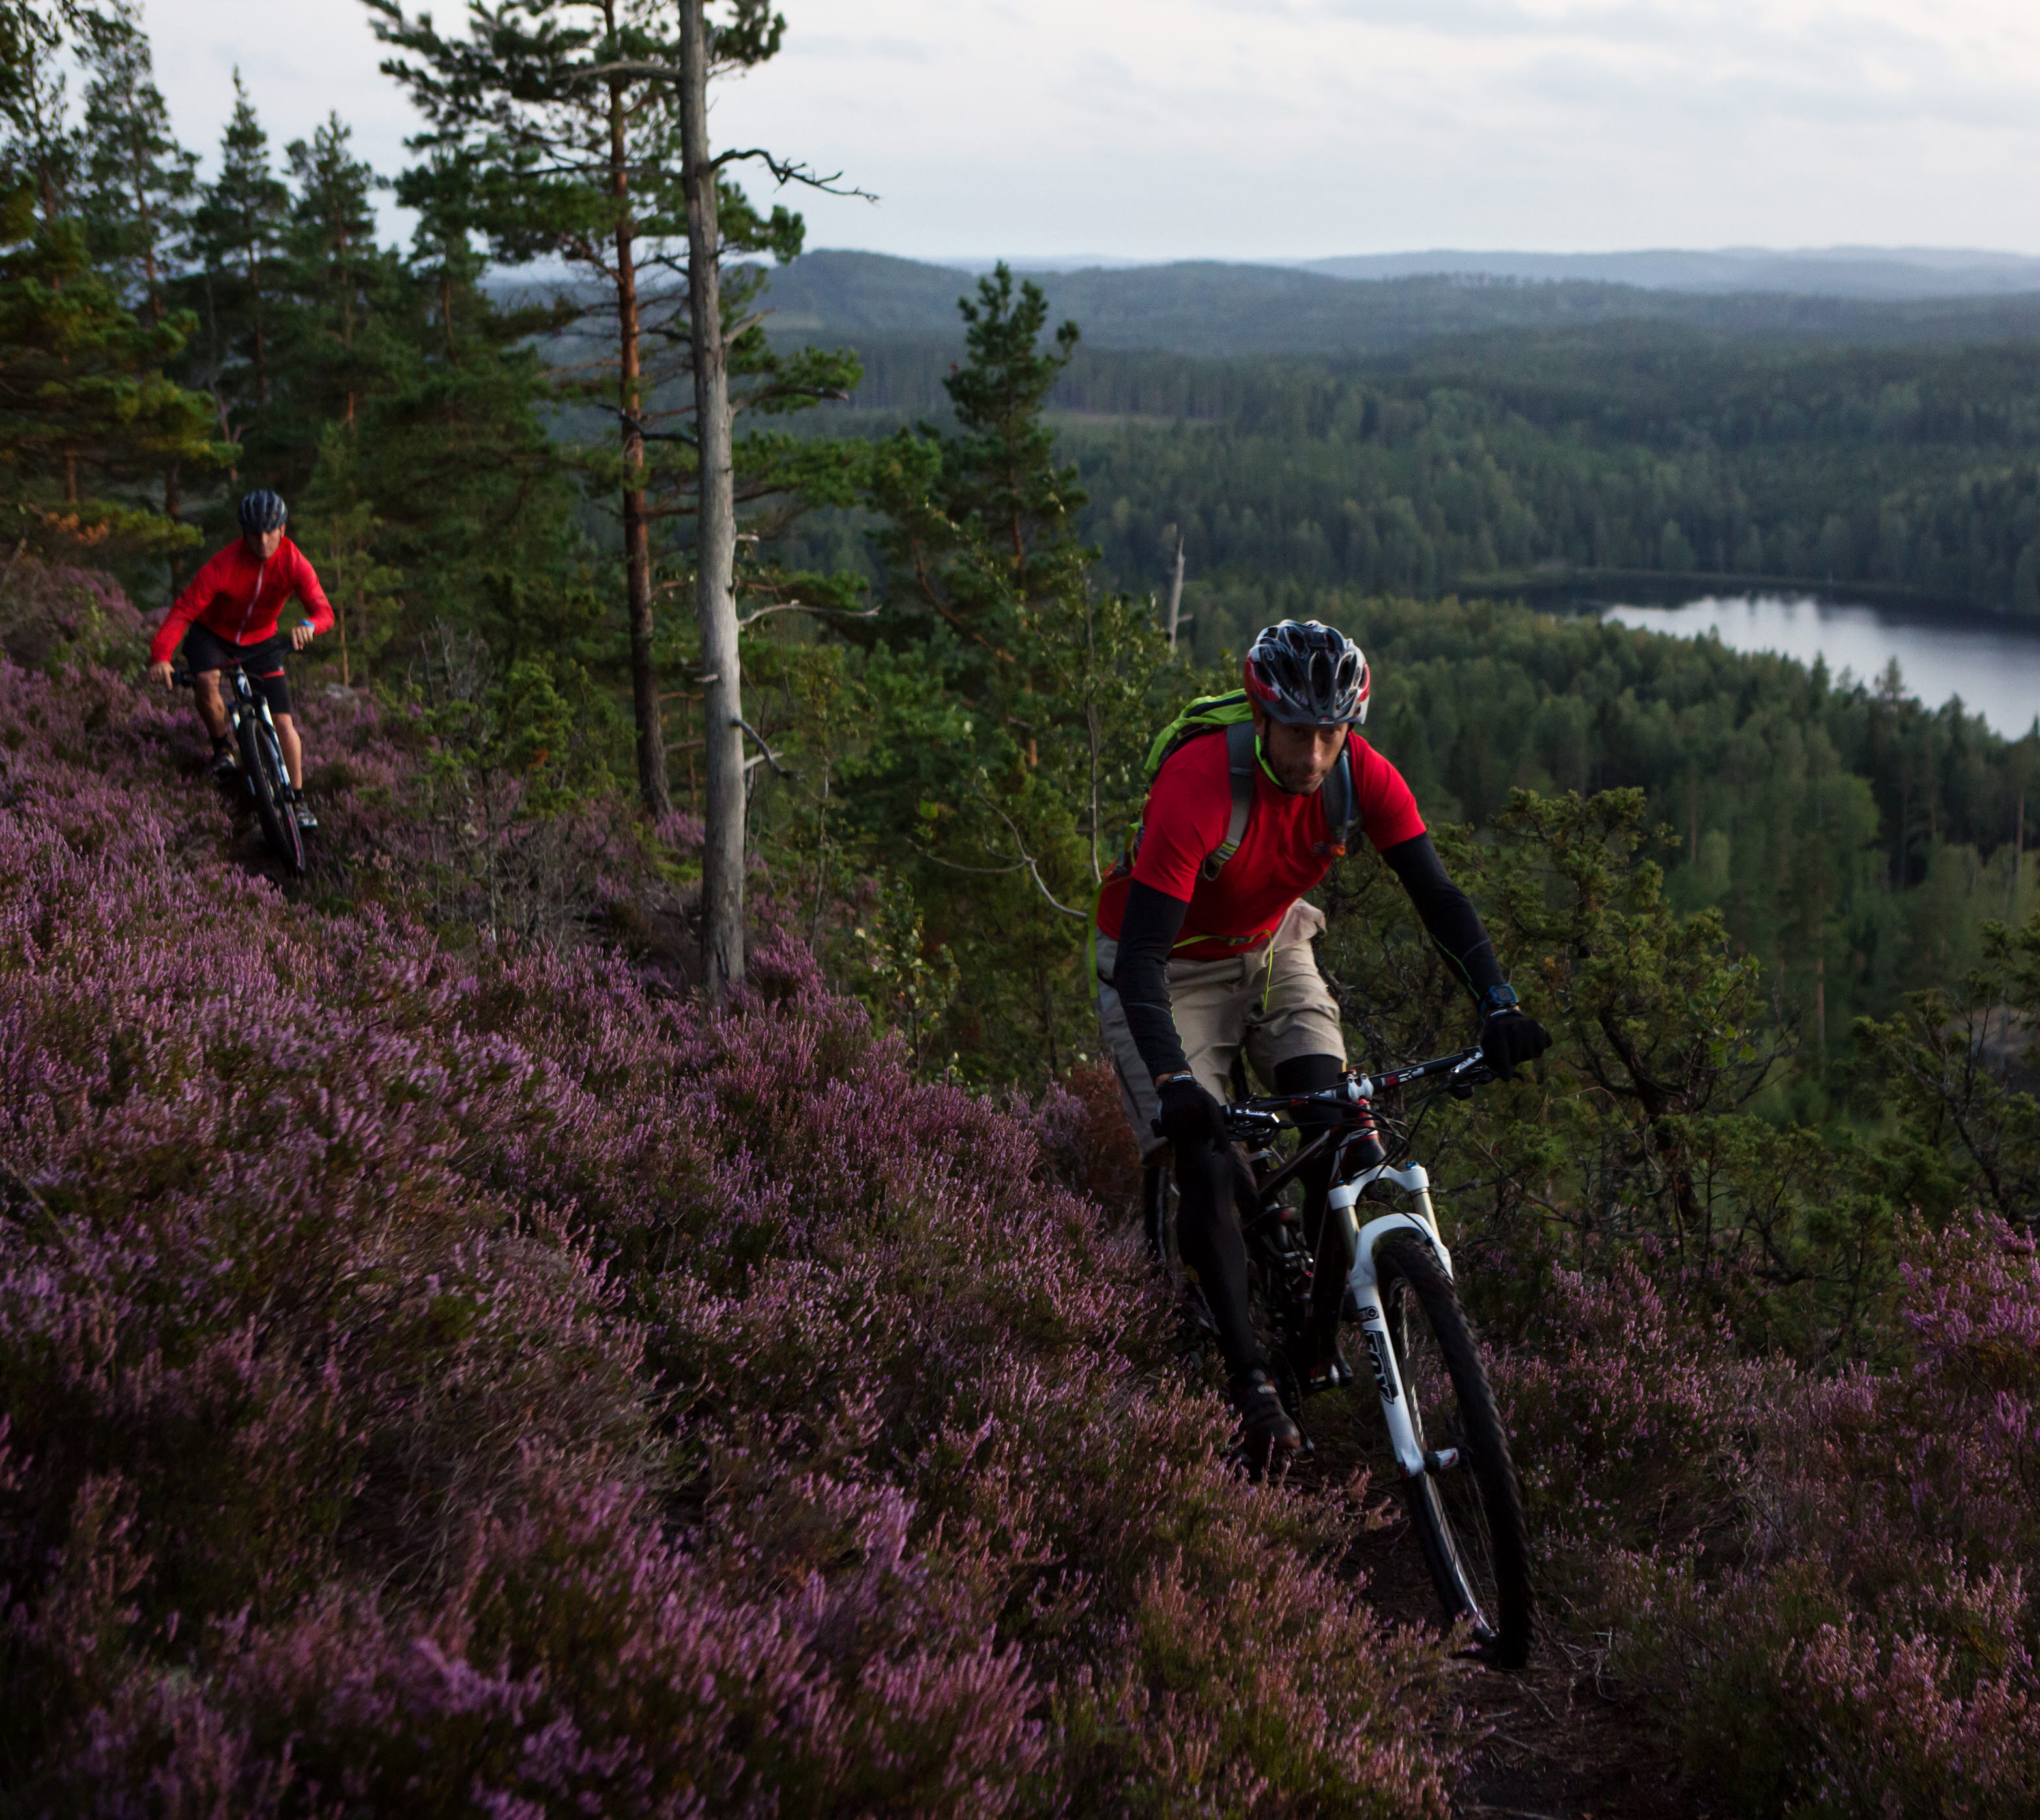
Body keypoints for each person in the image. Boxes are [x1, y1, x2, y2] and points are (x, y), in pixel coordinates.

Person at [1094, 619, 1551, 1473]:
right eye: (1297, 732)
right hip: (1168, 966)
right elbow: (1141, 962)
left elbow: (1438, 898)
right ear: (1261, 719)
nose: (1312, 755)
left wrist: (1499, 1003)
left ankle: (1320, 1316)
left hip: (1273, 946)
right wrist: (1172, 1080)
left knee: (1340, 1122)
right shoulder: (1199, 783)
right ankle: (1250, 1385)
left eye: (1329, 734)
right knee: (1205, 1158)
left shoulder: (1360, 777)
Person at [149, 490, 332, 830]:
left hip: (260, 640)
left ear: (282, 529)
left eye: (270, 532)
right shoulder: (224, 564)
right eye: (254, 534)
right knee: (206, 680)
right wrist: (162, 656)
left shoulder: (294, 563)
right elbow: (185, 610)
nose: (262, 542)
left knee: (284, 722)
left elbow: (324, 612)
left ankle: (298, 799)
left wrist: (310, 626)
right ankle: (222, 748)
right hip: (213, 635)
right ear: (243, 532)